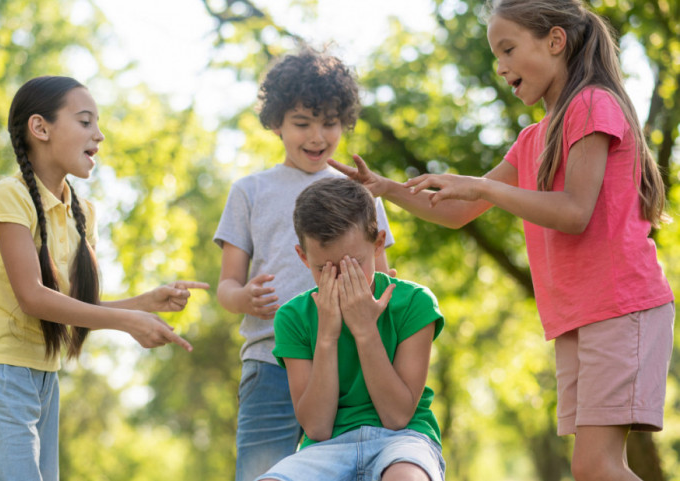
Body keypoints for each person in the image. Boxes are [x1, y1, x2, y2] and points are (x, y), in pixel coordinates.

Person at [330, 1, 674, 480]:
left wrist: (484, 185)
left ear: (555, 41)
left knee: (597, 467)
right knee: (592, 469)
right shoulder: (533, 139)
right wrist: (386, 189)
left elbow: (575, 212)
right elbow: (455, 211)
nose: (500, 66)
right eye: (496, 54)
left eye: (508, 48)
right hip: (580, 314)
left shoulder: (592, 104)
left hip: (620, 305)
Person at [0, 75, 209, 481]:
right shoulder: (9, 196)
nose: (99, 135)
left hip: (43, 376)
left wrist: (143, 304)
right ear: (40, 128)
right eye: (85, 121)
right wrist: (127, 322)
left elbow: (74, 309)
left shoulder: (83, 212)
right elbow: (33, 297)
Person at [214, 47, 396, 480]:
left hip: (347, 359)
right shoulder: (250, 192)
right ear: (276, 123)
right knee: (263, 473)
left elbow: (385, 274)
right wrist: (244, 298)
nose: (317, 136)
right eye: (302, 123)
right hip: (270, 361)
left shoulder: (361, 192)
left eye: (330, 122)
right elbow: (226, 286)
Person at [254, 177, 444, 481]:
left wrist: (366, 330)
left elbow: (397, 417)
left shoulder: (414, 303)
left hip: (403, 441)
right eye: (324, 269)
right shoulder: (293, 317)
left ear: (378, 242)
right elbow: (317, 428)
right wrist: (327, 335)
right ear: (303, 257)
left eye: (354, 264)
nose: (342, 280)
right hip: (327, 447)